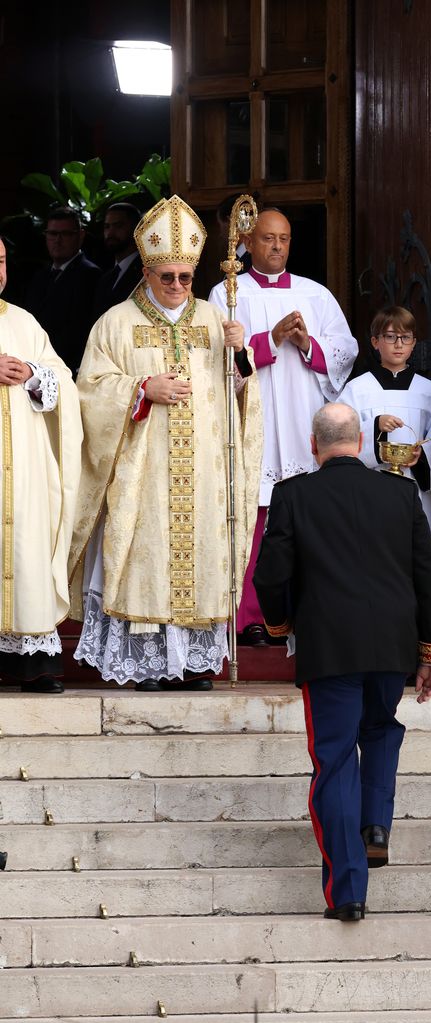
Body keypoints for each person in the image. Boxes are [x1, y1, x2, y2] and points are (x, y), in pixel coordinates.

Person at [253, 403, 431, 921]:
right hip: (391, 646)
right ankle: (376, 826)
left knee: (336, 761)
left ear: (313, 444)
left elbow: (269, 576)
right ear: (361, 442)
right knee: (381, 729)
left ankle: (348, 892)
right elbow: (426, 576)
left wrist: (280, 625)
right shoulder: (400, 491)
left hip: (329, 649)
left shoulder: (293, 494)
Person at [68, 195, 262, 691]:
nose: (177, 286)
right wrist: (141, 389)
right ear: (147, 274)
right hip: (144, 470)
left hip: (204, 470)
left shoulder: (214, 320)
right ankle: (148, 664)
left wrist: (240, 356)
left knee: (200, 556)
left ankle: (193, 663)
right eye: (167, 277)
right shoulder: (115, 323)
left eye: (185, 278)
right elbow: (89, 389)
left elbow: (241, 392)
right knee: (147, 558)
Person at [208, 208, 357, 645]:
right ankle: (252, 618)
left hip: (301, 417)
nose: (277, 246)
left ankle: (306, 612)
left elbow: (345, 350)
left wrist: (307, 343)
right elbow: (216, 360)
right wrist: (270, 339)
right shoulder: (227, 294)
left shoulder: (315, 294)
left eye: (284, 239)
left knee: (305, 520)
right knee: (254, 521)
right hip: (253, 423)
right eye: (268, 238)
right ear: (247, 242)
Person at [337, 305, 431, 665]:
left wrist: (423, 457)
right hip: (372, 497)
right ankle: (382, 654)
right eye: (390, 337)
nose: (397, 344)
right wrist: (375, 427)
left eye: (405, 338)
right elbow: (341, 436)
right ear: (375, 342)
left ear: (414, 343)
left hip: (419, 497)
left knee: (425, 573)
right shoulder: (356, 391)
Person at [0, 237, 82, 694]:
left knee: (24, 546)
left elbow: (63, 381)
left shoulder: (24, 321)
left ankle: (31, 663)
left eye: (1, 261)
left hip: (23, 468)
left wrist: (33, 374)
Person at [24, 207, 102, 375]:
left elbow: (81, 331)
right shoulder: (39, 276)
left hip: (67, 369)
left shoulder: (91, 276)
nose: (58, 240)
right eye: (53, 234)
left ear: (80, 236)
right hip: (32, 364)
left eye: (66, 234)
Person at [91, 202, 143, 321]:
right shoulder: (105, 278)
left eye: (118, 226)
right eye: (107, 227)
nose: (110, 233)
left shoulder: (145, 274)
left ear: (136, 228)